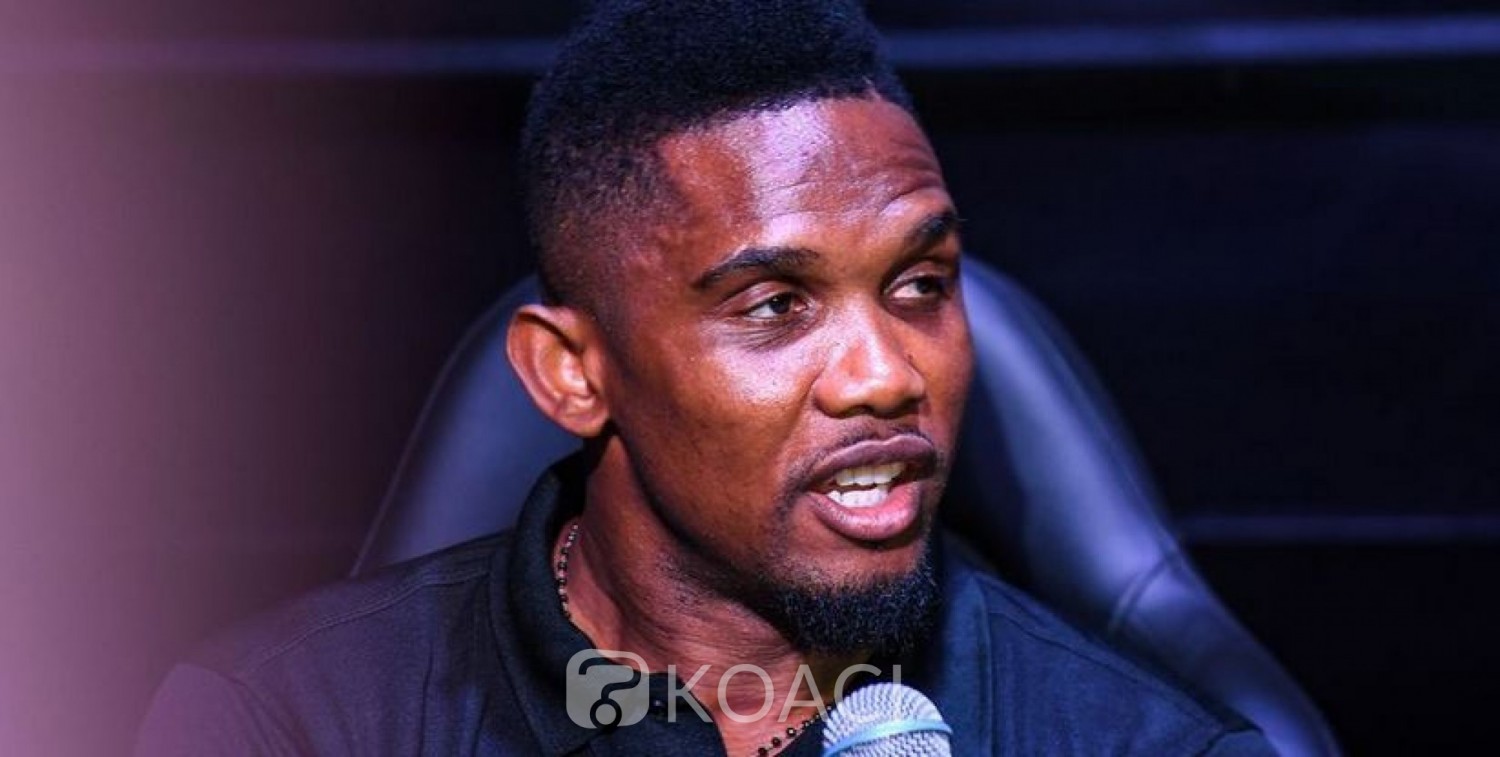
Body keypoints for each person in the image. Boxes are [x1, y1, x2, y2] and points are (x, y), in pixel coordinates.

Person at [137, 1, 1275, 754]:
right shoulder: (289, 721)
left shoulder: (1139, 744)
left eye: (921, 284)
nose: (886, 374)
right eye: (775, 305)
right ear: (572, 375)